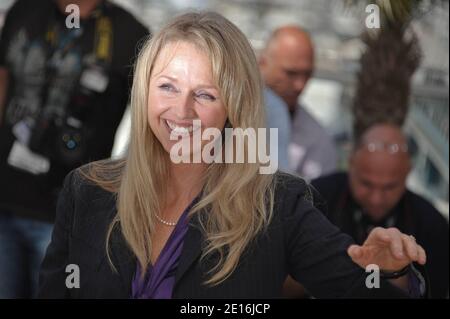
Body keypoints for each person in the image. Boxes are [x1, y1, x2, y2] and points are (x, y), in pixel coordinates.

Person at [38, 12, 427, 299]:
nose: (182, 111)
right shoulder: (88, 189)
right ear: (143, 93)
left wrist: (390, 274)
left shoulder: (277, 205)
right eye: (168, 87)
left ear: (234, 110)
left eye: (205, 95)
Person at [0, 0, 148, 298]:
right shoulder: (25, 10)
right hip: (4, 201)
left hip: (69, 218)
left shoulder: (130, 33)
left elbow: (148, 123)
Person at [312, 123, 449, 298]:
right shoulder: (316, 199)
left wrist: (398, 275)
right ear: (350, 164)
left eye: (390, 187)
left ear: (408, 173)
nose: (376, 198)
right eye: (366, 184)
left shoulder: (431, 224)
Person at [259, 26, 337, 180]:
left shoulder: (318, 139)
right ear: (262, 63)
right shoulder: (222, 111)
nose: (300, 85)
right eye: (290, 73)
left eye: (307, 74)